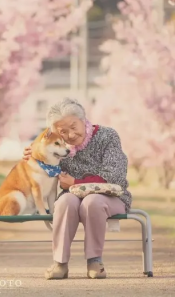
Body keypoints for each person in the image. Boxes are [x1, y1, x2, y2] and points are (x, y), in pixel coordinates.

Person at [22, 97, 131, 280]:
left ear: (83, 120)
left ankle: (95, 261)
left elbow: (114, 176)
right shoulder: (59, 147)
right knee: (64, 201)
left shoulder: (107, 136)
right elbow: (42, 170)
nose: (70, 135)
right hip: (72, 196)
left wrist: (75, 183)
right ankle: (60, 263)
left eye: (74, 127)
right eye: (63, 131)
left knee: (92, 201)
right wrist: (33, 156)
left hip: (110, 196)